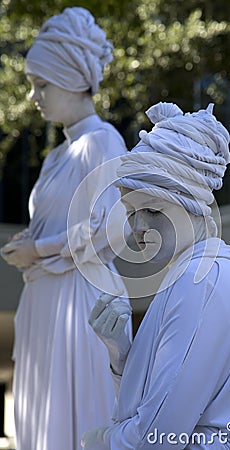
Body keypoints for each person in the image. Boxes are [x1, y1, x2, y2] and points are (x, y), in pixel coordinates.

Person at [83, 102, 230, 449]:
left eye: (153, 210)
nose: (138, 228)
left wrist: (99, 441)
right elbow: (157, 413)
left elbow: (155, 438)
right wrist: (122, 354)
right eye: (130, 211)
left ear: (195, 205)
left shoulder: (202, 280)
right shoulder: (193, 276)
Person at [0, 7, 131, 450]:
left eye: (42, 84)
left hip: (79, 299)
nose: (34, 96)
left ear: (73, 78)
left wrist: (38, 249)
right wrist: (30, 243)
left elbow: (111, 228)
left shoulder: (103, 140)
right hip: (44, 299)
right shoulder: (58, 155)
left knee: (76, 420)